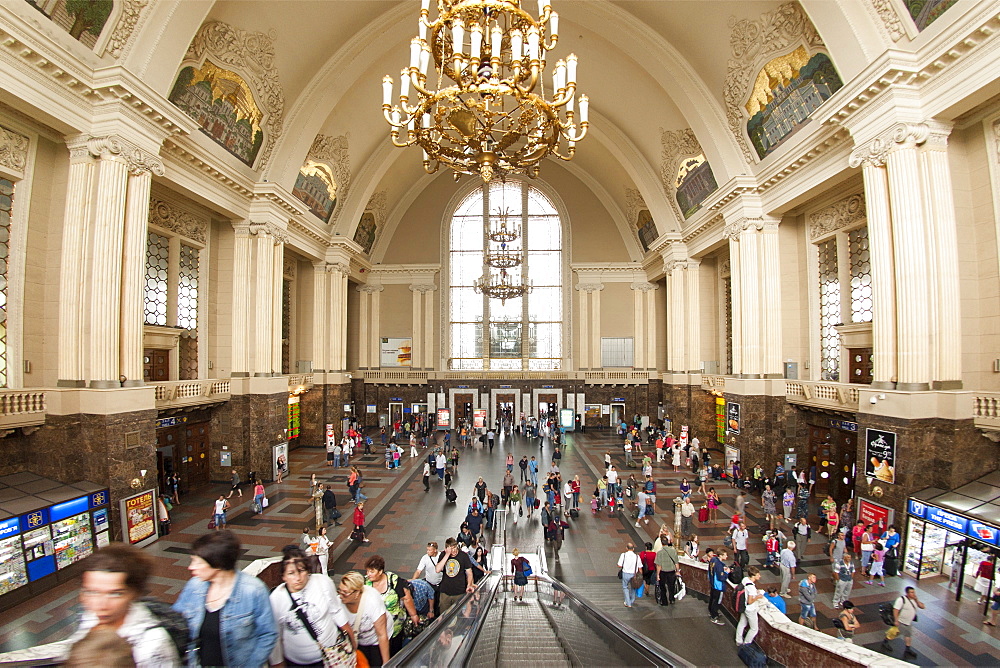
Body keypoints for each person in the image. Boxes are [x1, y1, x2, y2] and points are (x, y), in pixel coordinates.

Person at [59, 545, 180, 667]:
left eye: (115, 594)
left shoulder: (152, 644)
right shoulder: (91, 617)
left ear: (134, 593)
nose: (101, 605)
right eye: (92, 592)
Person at [173, 531, 277, 667]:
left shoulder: (253, 590)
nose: (191, 567)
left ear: (217, 564)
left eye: (197, 562)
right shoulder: (194, 586)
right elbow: (176, 621)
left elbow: (267, 634)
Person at [269, 546, 356, 667]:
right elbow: (275, 636)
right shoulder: (276, 599)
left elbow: (336, 611)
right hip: (296, 663)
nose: (298, 578)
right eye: (291, 573)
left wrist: (351, 639)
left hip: (331, 657)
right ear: (283, 576)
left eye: (302, 571)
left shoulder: (322, 582)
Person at [364, 555, 421, 657]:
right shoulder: (365, 583)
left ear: (380, 571)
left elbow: (406, 598)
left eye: (371, 572)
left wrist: (413, 615)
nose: (368, 574)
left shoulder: (393, 580)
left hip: (395, 627)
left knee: (394, 652)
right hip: (375, 630)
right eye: (367, 571)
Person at [338, 571, 390, 667]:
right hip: (358, 640)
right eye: (339, 590)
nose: (340, 595)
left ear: (357, 593)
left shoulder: (372, 601)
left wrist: (386, 663)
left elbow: (382, 635)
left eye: (345, 593)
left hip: (376, 640)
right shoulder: (338, 603)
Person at [881, 586, 925, 659]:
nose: (913, 594)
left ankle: (907, 648)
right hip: (901, 622)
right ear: (907, 593)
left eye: (914, 592)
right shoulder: (901, 600)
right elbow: (895, 610)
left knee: (908, 635)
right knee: (894, 633)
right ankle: (885, 641)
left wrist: (916, 600)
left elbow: (922, 606)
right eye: (911, 592)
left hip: (908, 622)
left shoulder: (914, 600)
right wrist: (896, 620)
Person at [435, 537, 475, 613]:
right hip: (445, 592)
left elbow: (469, 573)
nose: (454, 550)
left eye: (455, 547)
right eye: (451, 549)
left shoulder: (463, 556)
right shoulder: (443, 555)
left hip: (459, 591)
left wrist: (469, 584)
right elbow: (438, 569)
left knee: (458, 613)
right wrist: (447, 554)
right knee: (444, 613)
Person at [735, 566, 765, 647]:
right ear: (753, 576)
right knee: (754, 629)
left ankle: (738, 640)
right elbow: (750, 601)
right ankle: (746, 644)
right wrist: (757, 597)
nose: (760, 576)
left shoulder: (745, 579)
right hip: (750, 609)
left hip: (743, 607)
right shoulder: (751, 587)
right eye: (758, 575)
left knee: (742, 623)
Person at [654, 535, 679, 606]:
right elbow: (676, 562)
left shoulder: (659, 553)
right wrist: (677, 571)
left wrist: (658, 575)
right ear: (668, 542)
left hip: (663, 572)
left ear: (662, 543)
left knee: (662, 587)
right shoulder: (673, 551)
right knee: (671, 586)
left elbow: (658, 565)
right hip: (671, 571)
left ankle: (664, 601)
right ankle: (672, 599)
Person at [617, 543, 642, 608]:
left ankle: (628, 602)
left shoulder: (623, 555)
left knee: (625, 587)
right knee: (633, 587)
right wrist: (641, 575)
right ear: (633, 549)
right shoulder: (637, 556)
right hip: (634, 574)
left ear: (626, 548)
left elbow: (619, 565)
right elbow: (640, 567)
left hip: (625, 573)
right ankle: (631, 601)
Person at [708, 549, 729, 625]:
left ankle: (711, 612)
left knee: (712, 598)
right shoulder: (719, 565)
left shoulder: (713, 559)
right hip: (718, 586)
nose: (727, 556)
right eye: (725, 555)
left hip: (713, 583)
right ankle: (714, 616)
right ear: (720, 555)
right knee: (716, 601)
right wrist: (726, 572)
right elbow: (721, 577)